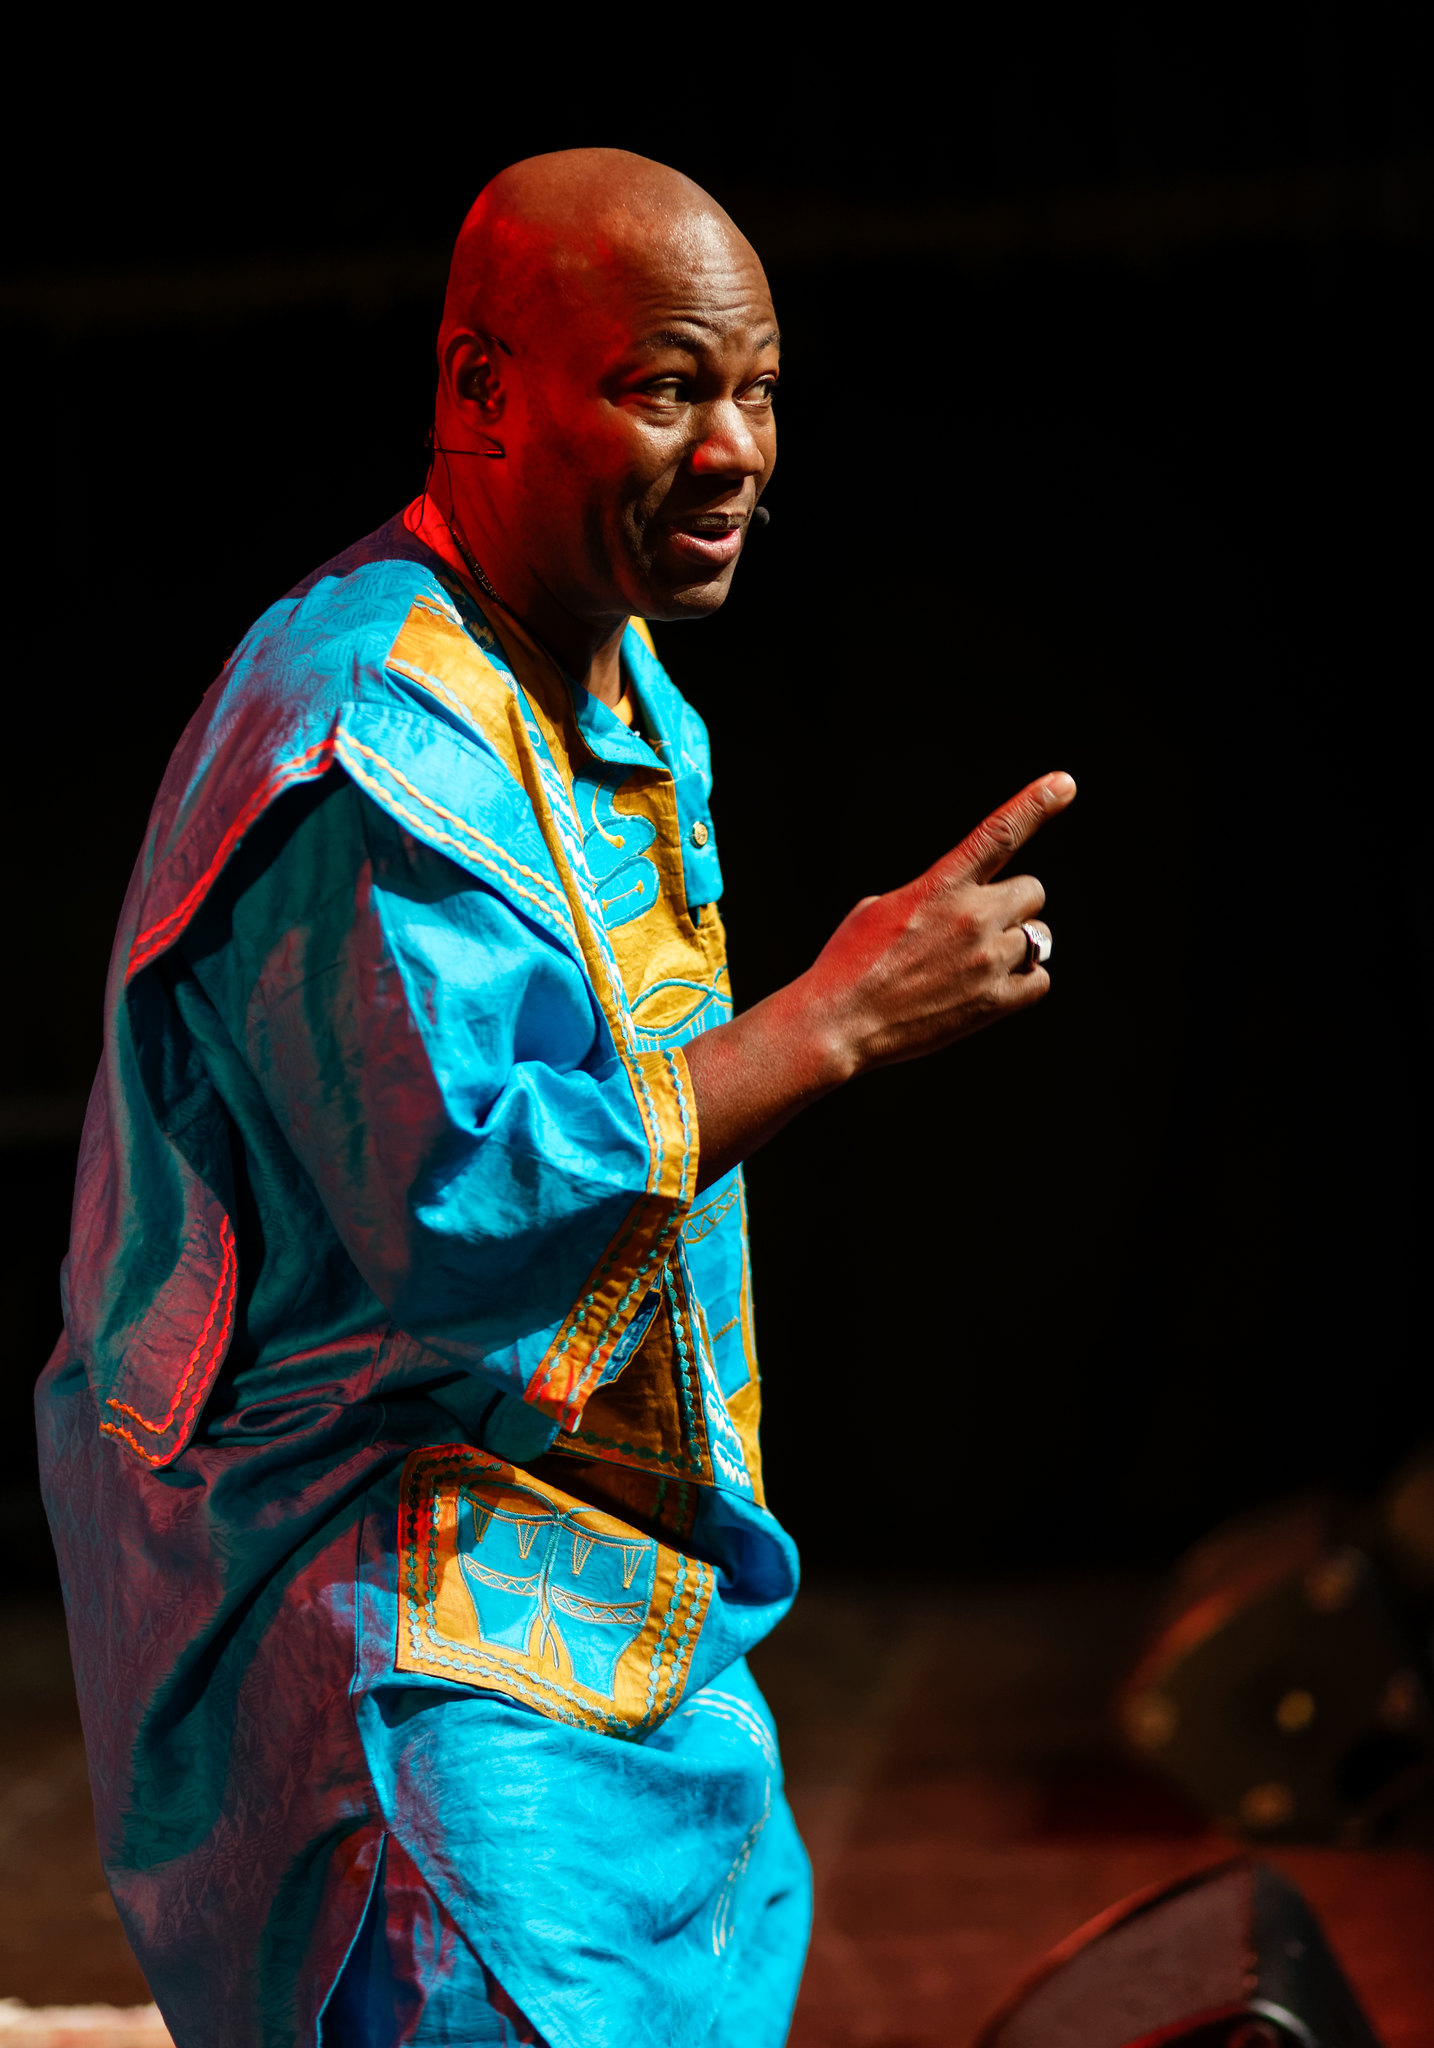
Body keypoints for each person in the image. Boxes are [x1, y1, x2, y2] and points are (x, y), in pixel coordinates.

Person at [36, 149, 1072, 2048]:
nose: (734, 450)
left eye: (758, 391)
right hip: (384, 1607)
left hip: (600, 1576)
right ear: (482, 390)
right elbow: (455, 1215)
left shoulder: (617, 682)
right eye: (666, 387)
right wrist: (834, 1019)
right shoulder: (374, 737)